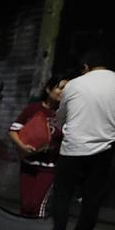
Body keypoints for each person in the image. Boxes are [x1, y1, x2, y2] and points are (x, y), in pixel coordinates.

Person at [52, 49, 115, 230]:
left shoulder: (73, 84)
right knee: (92, 199)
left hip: (71, 149)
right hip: (104, 150)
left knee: (62, 198)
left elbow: (61, 116)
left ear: (85, 67)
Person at [8, 76, 68, 218]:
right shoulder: (33, 109)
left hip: (49, 168)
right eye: (60, 87)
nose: (64, 92)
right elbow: (13, 130)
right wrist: (22, 146)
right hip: (28, 164)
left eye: (67, 89)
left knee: (36, 205)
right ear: (49, 89)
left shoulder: (66, 114)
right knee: (25, 206)